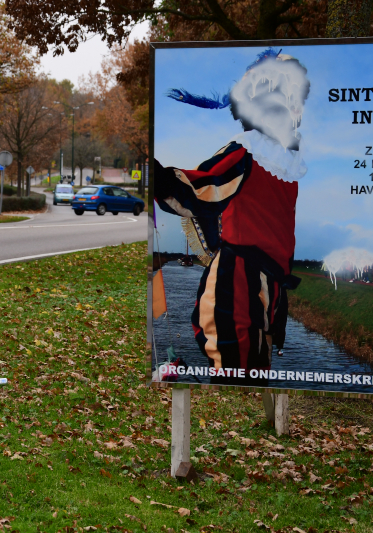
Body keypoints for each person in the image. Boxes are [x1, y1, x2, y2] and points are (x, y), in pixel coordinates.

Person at [155, 48, 309, 383]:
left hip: (262, 283)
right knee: (238, 369)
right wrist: (160, 178)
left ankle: (248, 427)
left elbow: (202, 191)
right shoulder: (252, 152)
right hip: (242, 278)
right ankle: (240, 429)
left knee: (250, 368)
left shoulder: (280, 161)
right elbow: (203, 188)